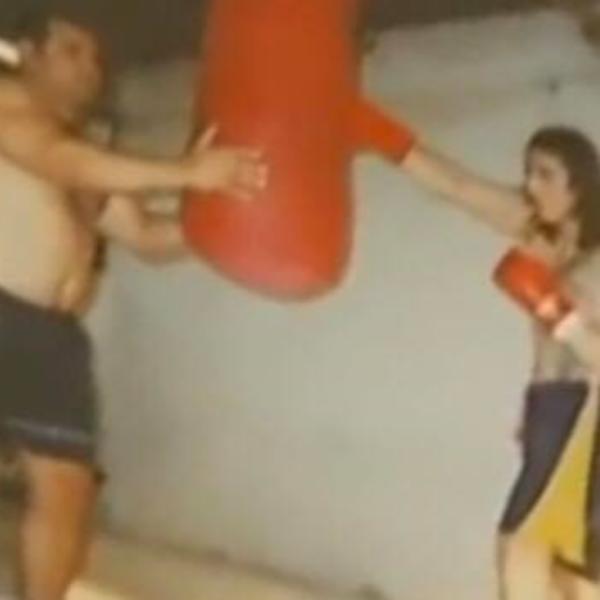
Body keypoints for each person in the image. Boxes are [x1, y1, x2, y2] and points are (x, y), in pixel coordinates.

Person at [0, 7, 266, 600]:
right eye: (72, 51)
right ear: (29, 53)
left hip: (53, 335)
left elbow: (145, 236)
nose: (89, 69)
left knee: (68, 488)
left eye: (95, 58)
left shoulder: (89, 150)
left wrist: (236, 228)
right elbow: (55, 158)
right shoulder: (9, 103)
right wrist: (187, 173)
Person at [390, 120, 600, 599]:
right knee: (555, 566)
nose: (531, 186)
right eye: (528, 172)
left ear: (578, 185)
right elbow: (458, 186)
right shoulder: (537, 230)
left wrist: (555, 311)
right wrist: (378, 134)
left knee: (532, 550)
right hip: (551, 406)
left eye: (545, 174)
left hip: (586, 415)